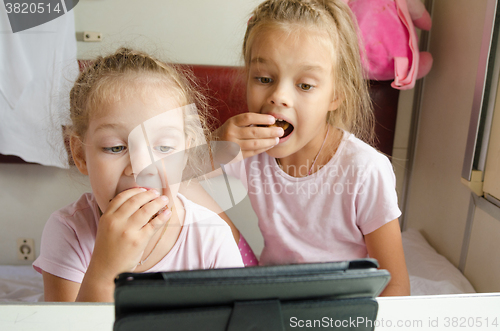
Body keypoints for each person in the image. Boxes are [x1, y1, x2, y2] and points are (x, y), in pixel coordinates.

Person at [214, 0, 410, 296]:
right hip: (273, 300)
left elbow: (396, 286)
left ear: (336, 96)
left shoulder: (365, 170)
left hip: (342, 309)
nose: (278, 96)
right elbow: (156, 177)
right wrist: (213, 148)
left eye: (305, 85)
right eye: (264, 79)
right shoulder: (248, 153)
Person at [33, 48, 244, 302]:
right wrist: (105, 271)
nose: (141, 167)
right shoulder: (70, 231)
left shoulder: (211, 236)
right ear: (80, 155)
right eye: (115, 147)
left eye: (164, 147)